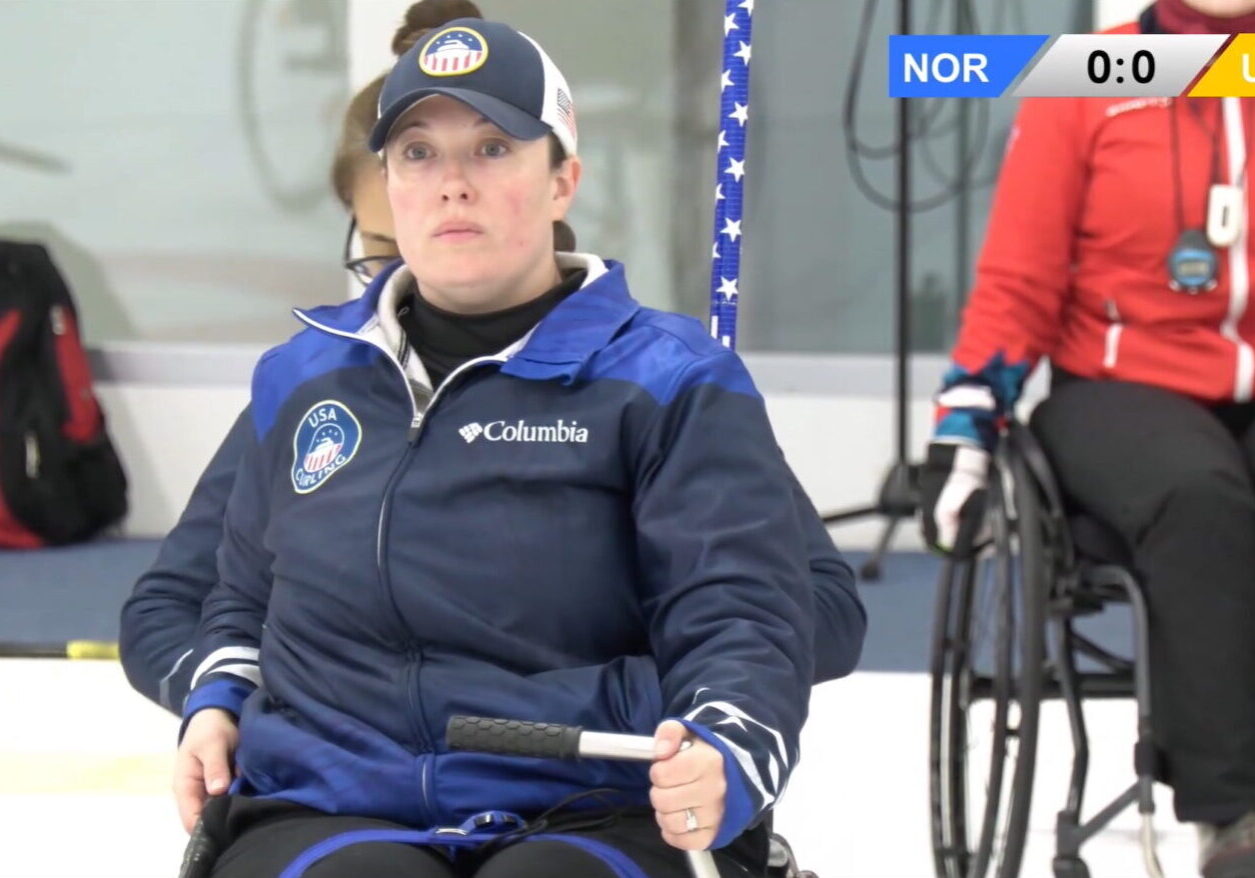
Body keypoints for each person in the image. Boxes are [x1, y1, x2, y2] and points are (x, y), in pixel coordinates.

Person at [139, 14, 860, 878]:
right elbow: (227, 596)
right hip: (333, 797)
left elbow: (763, 613)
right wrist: (218, 703)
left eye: (491, 149)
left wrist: (719, 747)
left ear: (563, 181)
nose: (451, 184)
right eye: (417, 153)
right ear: (385, 185)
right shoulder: (303, 378)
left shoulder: (667, 380)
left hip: (595, 796)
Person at [919, 1, 1255, 875]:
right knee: (1199, 496)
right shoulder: (1090, 77)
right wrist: (965, 429)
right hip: (1118, 390)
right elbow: (1017, 277)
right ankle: (1232, 816)